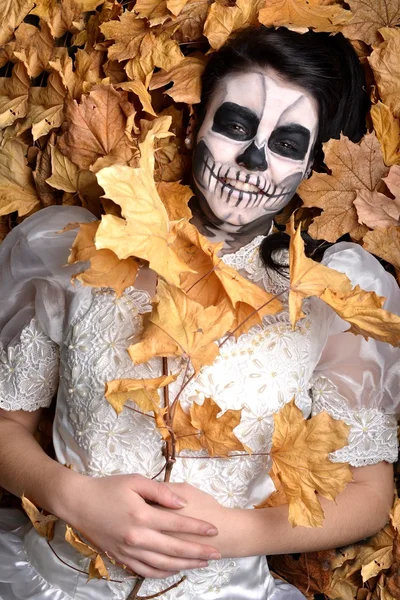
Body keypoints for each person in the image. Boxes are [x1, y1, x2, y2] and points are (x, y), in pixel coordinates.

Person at [0, 25, 399, 600]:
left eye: (287, 143)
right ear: (194, 127)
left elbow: (367, 491)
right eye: (235, 126)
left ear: (314, 166)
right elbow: (7, 422)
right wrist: (74, 498)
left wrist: (232, 533)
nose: (253, 159)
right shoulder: (80, 250)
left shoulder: (333, 294)